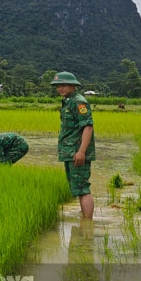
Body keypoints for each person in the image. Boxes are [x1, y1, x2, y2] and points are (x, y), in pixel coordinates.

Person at [51, 71, 95, 220]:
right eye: (58, 86)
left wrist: (82, 151)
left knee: (82, 188)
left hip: (77, 152)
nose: (60, 89)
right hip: (69, 152)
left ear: (73, 85)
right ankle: (84, 217)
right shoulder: (67, 101)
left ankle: (88, 223)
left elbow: (88, 127)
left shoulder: (78, 102)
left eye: (63, 85)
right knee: (76, 187)